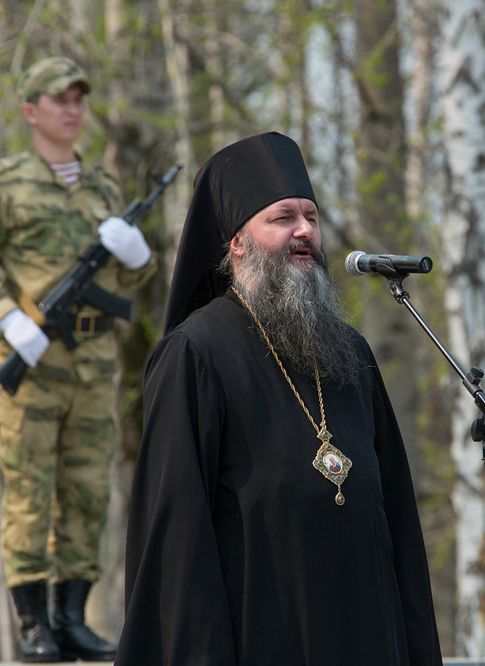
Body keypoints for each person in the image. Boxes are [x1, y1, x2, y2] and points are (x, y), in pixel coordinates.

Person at [116, 131, 442, 665]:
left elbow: (397, 518)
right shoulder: (195, 353)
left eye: (311, 216)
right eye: (282, 218)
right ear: (235, 241)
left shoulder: (350, 353)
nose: (304, 232)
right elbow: (177, 538)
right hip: (258, 635)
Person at [0, 56, 157, 663]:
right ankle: (34, 625)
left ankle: (73, 618)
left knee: (88, 491)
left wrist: (139, 252)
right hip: (33, 362)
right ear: (30, 110)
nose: (72, 109)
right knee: (29, 494)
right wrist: (9, 316)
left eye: (78, 99)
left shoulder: (102, 188)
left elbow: (132, 275)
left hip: (94, 363)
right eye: (59, 99)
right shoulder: (3, 184)